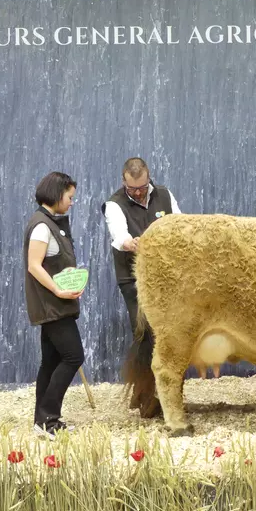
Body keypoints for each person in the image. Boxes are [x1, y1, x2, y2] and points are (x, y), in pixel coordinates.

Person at [102, 157, 181, 418]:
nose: (137, 193)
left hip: (166, 278)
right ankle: (145, 393)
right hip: (133, 278)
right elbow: (119, 234)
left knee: (169, 333)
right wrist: (130, 243)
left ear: (148, 178)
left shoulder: (165, 196)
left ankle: (163, 391)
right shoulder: (114, 204)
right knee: (144, 331)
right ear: (124, 181)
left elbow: (179, 226)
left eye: (142, 187)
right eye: (132, 189)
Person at [24, 172, 85, 439]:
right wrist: (59, 289)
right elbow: (33, 265)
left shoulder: (51, 222)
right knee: (73, 356)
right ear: (57, 193)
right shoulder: (41, 226)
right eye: (70, 197)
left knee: (50, 361)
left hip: (55, 304)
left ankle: (44, 421)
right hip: (52, 305)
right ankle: (49, 416)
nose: (72, 202)